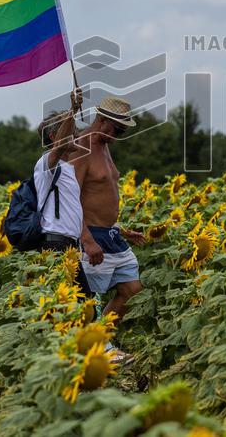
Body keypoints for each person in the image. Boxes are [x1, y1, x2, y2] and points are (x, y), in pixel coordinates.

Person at [72, 97, 145, 334]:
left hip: (111, 234)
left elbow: (99, 196)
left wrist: (121, 229)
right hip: (91, 236)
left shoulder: (103, 147)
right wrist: (87, 239)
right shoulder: (82, 147)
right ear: (102, 121)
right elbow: (71, 199)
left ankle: (101, 339)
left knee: (132, 290)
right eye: (118, 130)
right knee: (89, 300)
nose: (121, 135)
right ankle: (93, 348)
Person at [35, 88, 92, 297]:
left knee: (75, 306)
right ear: (53, 136)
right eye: (72, 131)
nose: (77, 135)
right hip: (55, 246)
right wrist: (73, 109)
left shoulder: (67, 168)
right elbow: (59, 146)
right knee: (78, 305)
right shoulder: (46, 163)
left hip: (68, 246)